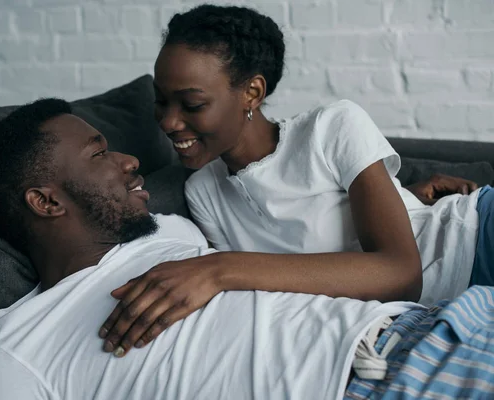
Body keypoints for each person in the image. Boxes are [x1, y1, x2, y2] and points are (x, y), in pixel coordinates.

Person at [0, 98, 494, 400]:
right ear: (44, 201)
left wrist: (405, 198)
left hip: (439, 321)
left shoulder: (172, 229)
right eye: (100, 153)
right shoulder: (19, 347)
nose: (131, 161)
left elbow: (305, 237)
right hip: (379, 383)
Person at [98, 4, 492, 358]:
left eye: (192, 104)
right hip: (443, 310)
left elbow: (400, 275)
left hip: (477, 237)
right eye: (161, 100)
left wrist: (219, 269)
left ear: (252, 92)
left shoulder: (333, 126)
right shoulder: (202, 192)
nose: (168, 121)